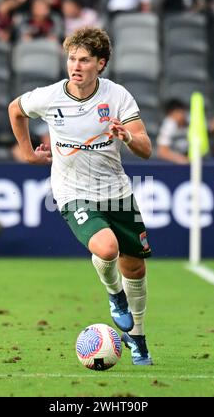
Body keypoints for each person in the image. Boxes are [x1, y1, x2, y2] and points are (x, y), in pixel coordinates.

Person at [9, 27, 153, 365]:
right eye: (72, 58)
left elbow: (145, 148)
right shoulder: (50, 96)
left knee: (135, 267)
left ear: (100, 64)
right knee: (107, 248)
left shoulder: (117, 96)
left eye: (84, 60)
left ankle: (139, 339)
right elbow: (15, 109)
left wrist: (127, 138)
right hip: (72, 190)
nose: (76, 65)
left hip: (116, 192)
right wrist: (29, 153)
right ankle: (114, 296)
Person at [157, 99, 189, 164]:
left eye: (182, 112)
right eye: (177, 112)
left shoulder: (190, 119)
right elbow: (162, 152)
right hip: (175, 164)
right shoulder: (169, 124)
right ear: (170, 113)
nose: (181, 115)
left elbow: (211, 125)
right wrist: (183, 160)